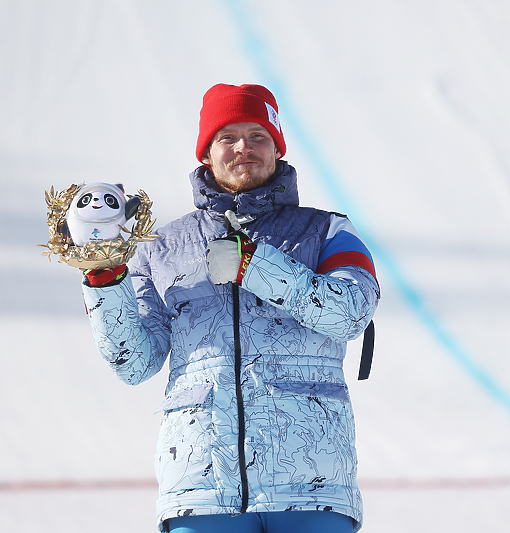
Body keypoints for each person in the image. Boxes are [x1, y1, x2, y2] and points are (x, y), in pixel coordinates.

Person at [80, 83, 379, 533]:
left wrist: (254, 263)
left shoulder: (328, 231)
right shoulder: (160, 248)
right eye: (227, 138)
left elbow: (351, 312)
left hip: (311, 486)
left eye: (258, 136)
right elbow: (134, 362)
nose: (244, 148)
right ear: (206, 154)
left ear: (277, 149)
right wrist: (104, 278)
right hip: (201, 493)